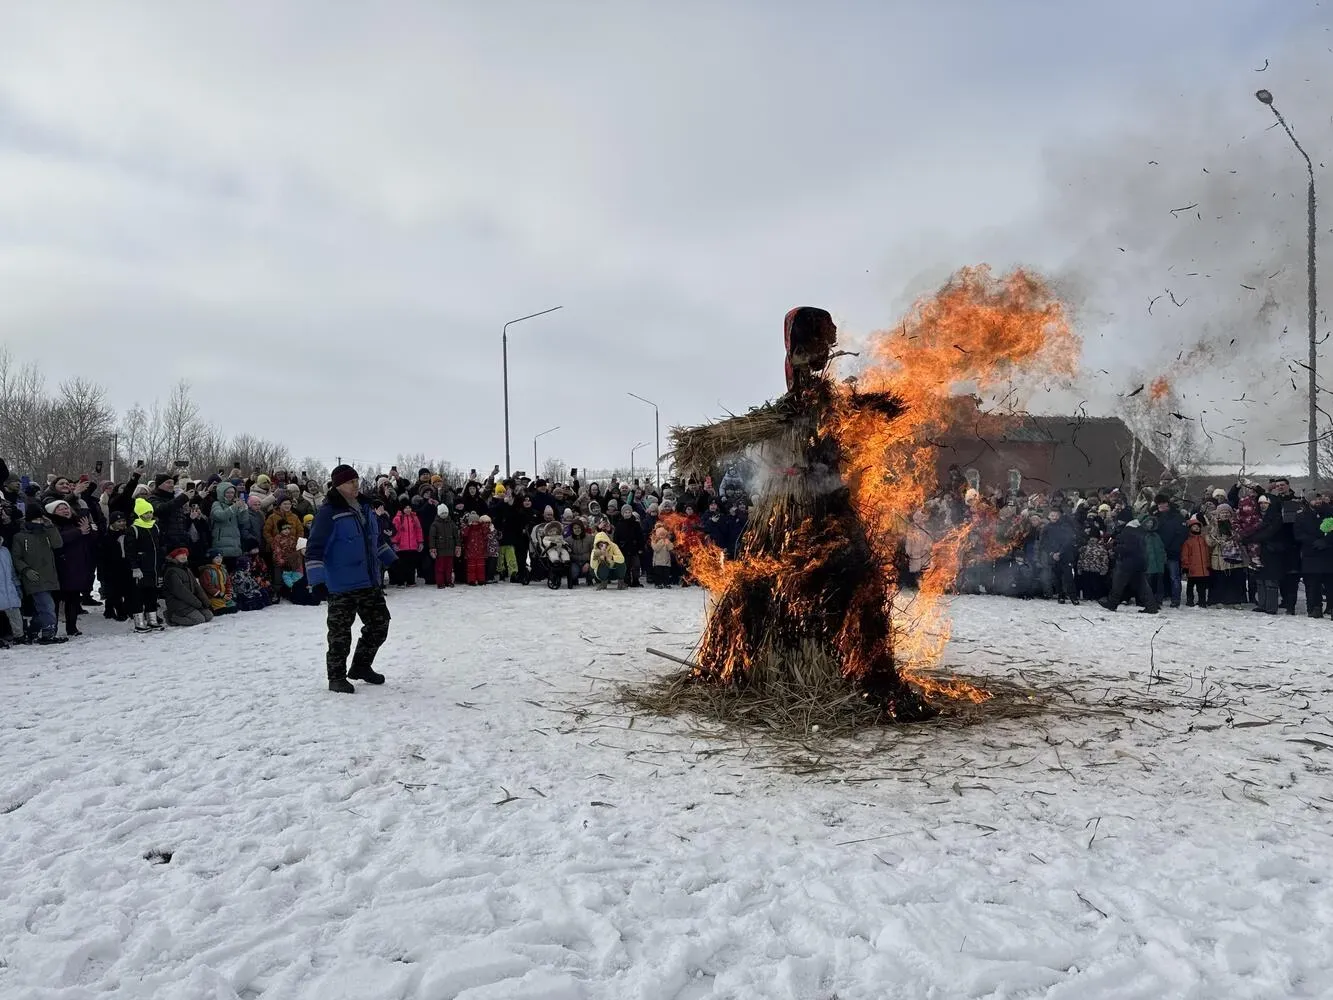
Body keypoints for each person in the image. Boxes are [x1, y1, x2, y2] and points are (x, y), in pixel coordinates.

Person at [305, 465, 397, 694]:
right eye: (349, 482)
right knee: (339, 634)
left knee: (379, 624)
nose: (355, 486)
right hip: (340, 585)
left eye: (356, 481)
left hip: (368, 581)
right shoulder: (329, 513)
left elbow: (374, 542)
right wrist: (316, 581)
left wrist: (392, 559)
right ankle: (336, 677)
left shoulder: (366, 507)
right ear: (337, 486)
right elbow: (314, 549)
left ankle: (361, 667)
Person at [11, 505, 66, 644]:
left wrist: (51, 526)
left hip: (50, 575)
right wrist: (26, 570)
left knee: (43, 608)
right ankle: (48, 634)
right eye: (36, 519)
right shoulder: (20, 537)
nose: (39, 522)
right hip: (33, 577)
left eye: (41, 519)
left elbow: (58, 544)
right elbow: (16, 557)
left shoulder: (46, 532)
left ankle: (33, 630)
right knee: (47, 606)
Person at [162, 547, 215, 627]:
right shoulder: (171, 571)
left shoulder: (187, 569)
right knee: (199, 620)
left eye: (185, 555)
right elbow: (181, 592)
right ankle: (172, 616)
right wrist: (197, 603)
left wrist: (205, 602)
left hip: (190, 602)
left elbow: (197, 587)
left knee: (208, 616)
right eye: (181, 555)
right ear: (174, 557)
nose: (184, 556)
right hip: (178, 603)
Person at [428, 504, 459, 588]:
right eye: (442, 513)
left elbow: (456, 536)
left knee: (449, 567)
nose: (444, 514)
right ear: (439, 514)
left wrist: (457, 546)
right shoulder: (435, 524)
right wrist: (432, 548)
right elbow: (432, 537)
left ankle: (449, 581)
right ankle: (440, 582)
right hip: (440, 550)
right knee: (440, 568)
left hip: (450, 550)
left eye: (446, 513)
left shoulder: (451, 523)